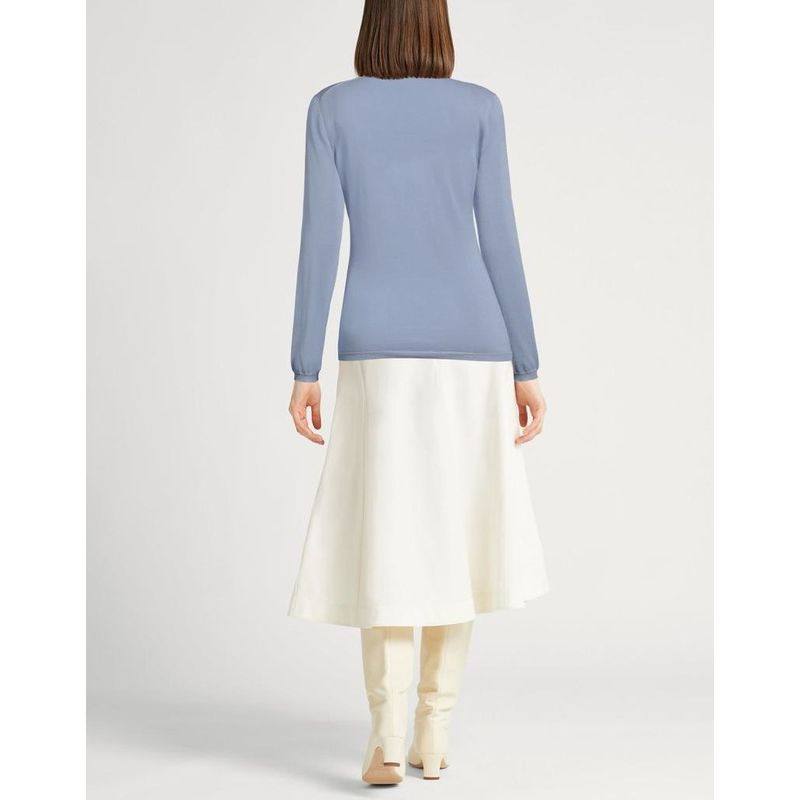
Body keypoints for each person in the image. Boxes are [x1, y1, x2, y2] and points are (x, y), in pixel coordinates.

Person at [287, 0, 548, 784]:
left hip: (377, 347)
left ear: (373, 20)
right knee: (456, 539)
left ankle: (386, 738)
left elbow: (319, 241)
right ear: (437, 20)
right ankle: (434, 732)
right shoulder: (479, 109)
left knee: (390, 539)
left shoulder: (333, 108)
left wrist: (304, 367)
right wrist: (527, 365)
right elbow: (500, 239)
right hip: (475, 345)